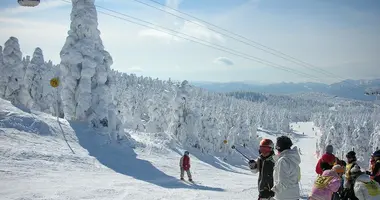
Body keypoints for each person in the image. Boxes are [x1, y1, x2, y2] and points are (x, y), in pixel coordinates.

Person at [271, 136, 301, 200]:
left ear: (279, 148)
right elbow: (298, 177)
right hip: (294, 195)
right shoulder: (293, 158)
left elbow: (283, 182)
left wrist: (274, 190)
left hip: (284, 196)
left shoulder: (283, 161)